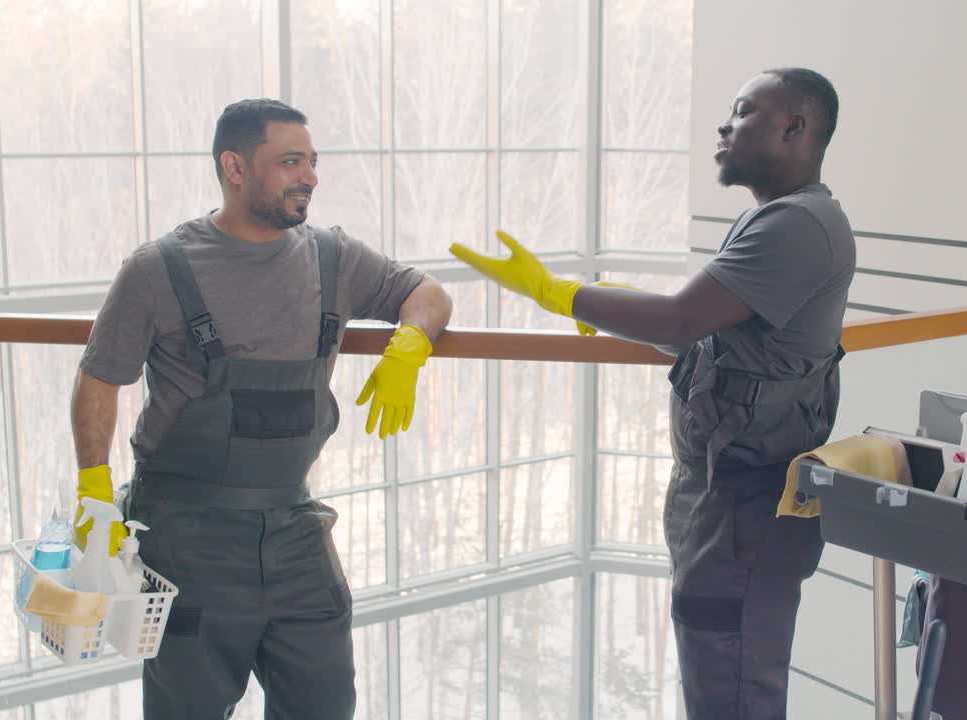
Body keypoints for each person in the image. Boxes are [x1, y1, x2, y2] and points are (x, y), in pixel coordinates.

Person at [452, 67, 854, 718]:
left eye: (745, 111)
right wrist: (615, 308)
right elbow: (705, 337)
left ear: (795, 127)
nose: (726, 124)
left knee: (731, 693)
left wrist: (555, 292)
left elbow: (679, 320)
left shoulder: (798, 226)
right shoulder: (780, 219)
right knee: (718, 684)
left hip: (745, 514)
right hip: (727, 506)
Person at [70, 98, 452, 719]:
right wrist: (94, 489)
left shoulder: (332, 256)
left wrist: (409, 347)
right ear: (236, 166)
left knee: (324, 702)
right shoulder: (158, 269)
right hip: (187, 535)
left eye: (312, 162)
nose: (309, 176)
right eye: (290, 161)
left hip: (294, 526)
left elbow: (428, 293)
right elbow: (99, 378)